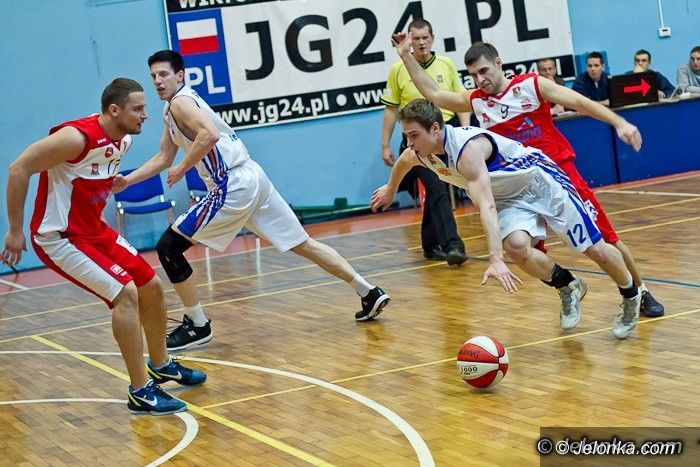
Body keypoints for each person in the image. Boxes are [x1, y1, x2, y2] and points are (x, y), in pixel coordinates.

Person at [112, 50, 390, 352]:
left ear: (180, 76)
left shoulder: (181, 102)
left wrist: (184, 167)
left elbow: (208, 135)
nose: (157, 81)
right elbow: (164, 157)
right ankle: (368, 291)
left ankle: (198, 324)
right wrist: (128, 180)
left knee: (169, 247)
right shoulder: (173, 108)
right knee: (303, 244)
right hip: (252, 176)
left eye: (164, 74)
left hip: (231, 185)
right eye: (153, 76)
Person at [390, 34, 665, 318]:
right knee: (522, 249)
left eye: (484, 71)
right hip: (516, 185)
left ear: (498, 63)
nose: (480, 80)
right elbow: (434, 94)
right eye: (473, 75)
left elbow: (579, 102)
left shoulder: (531, 85)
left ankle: (640, 291)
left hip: (557, 171)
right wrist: (406, 56)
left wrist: (618, 122)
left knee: (604, 239)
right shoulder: (477, 100)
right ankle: (568, 287)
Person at [0, 78, 207, 415]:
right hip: (60, 238)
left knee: (151, 286)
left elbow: (97, 176)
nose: (145, 115)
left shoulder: (123, 139)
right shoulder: (75, 138)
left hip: (95, 230)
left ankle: (161, 365)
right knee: (125, 293)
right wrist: (14, 229)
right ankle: (140, 391)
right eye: (137, 109)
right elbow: (18, 168)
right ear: (114, 110)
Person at [371, 99, 641, 339]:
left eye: (414, 135)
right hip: (509, 198)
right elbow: (404, 161)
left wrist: (495, 260)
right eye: (406, 136)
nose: (409, 143)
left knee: (595, 250)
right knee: (517, 248)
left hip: (540, 181)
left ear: (434, 129)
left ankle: (631, 295)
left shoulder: (466, 150)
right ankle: (568, 286)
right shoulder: (420, 152)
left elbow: (486, 207)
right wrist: (391, 188)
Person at [380, 19, 467, 266]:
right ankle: (453, 246)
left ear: (432, 38)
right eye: (416, 38)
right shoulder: (398, 69)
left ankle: (430, 245)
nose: (421, 42)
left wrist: (465, 129)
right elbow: (390, 109)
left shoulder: (446, 65)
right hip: (417, 142)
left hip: (445, 137)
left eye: (424, 37)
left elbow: (460, 100)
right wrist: (385, 144)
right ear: (409, 40)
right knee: (437, 187)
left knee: (439, 188)